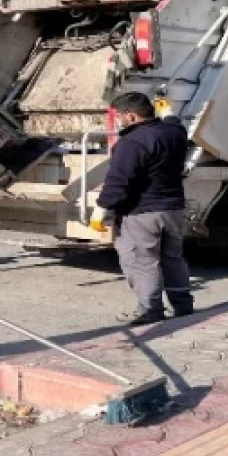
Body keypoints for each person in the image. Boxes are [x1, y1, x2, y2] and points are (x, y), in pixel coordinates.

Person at [91, 92, 191, 326]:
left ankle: (150, 310)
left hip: (143, 212)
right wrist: (167, 111)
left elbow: (118, 180)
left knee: (141, 260)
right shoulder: (175, 133)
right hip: (174, 209)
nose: (119, 121)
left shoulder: (131, 143)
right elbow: (173, 122)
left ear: (132, 117)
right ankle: (183, 305)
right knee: (173, 258)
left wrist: (101, 210)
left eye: (121, 117)